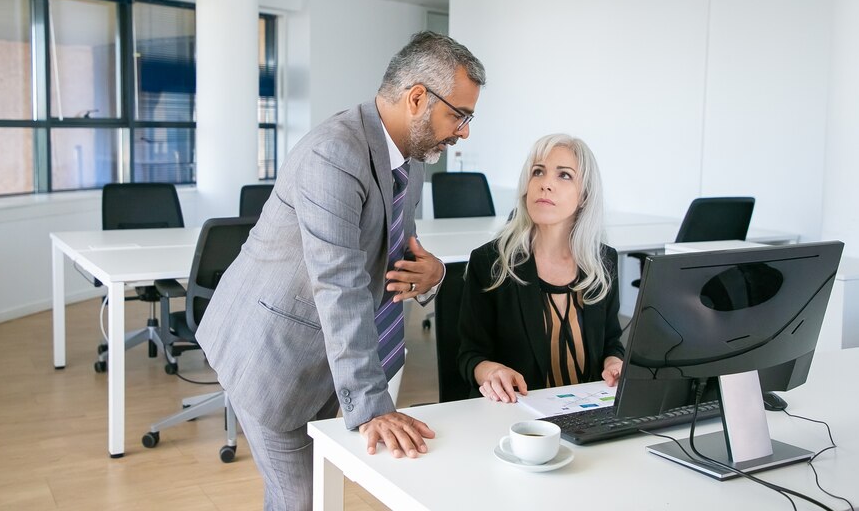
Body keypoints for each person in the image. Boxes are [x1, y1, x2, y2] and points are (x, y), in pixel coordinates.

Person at [196, 31, 486, 510]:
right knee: (301, 499)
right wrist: (372, 406)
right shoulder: (334, 153)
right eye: (460, 115)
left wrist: (432, 274)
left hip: (328, 356)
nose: (464, 131)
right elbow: (339, 283)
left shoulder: (409, 162)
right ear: (417, 98)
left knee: (311, 491)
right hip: (271, 350)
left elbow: (395, 251)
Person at [457, 133, 624, 404]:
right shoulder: (490, 263)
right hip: (519, 414)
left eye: (564, 175)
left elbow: (611, 342)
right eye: (538, 172)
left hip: (589, 410)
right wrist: (492, 372)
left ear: (584, 195)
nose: (545, 184)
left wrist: (614, 362)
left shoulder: (603, 262)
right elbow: (470, 355)